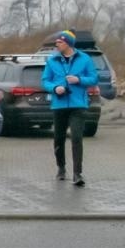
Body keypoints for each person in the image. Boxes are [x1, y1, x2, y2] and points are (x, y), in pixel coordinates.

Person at [42, 30, 98, 187]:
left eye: (59, 42)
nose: (57, 44)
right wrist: (55, 88)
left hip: (78, 105)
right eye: (56, 42)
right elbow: (45, 81)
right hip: (59, 105)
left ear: (68, 44)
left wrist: (78, 80)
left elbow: (94, 78)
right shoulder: (52, 60)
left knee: (76, 137)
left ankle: (77, 173)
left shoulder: (85, 59)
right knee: (59, 138)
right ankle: (61, 168)